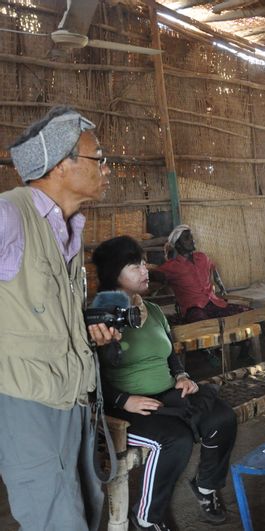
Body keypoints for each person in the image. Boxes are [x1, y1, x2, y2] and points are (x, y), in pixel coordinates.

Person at [0, 106, 120, 530]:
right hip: (27, 401)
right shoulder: (10, 214)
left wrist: (82, 336)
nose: (107, 167)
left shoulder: (67, 228)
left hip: (72, 399)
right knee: (56, 521)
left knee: (86, 509)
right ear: (61, 166)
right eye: (98, 157)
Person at [92, 236, 237, 529]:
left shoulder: (153, 311)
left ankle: (206, 486)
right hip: (125, 408)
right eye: (135, 266)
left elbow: (170, 355)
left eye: (144, 264)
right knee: (175, 440)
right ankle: (146, 517)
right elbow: (89, 374)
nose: (145, 271)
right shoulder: (99, 318)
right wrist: (122, 400)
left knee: (222, 418)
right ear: (113, 274)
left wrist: (183, 376)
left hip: (166, 396)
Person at [149, 225, 248, 323]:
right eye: (187, 238)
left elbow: (213, 268)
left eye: (191, 236)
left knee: (248, 313)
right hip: (194, 309)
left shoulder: (202, 257)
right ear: (178, 245)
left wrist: (222, 288)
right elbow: (152, 276)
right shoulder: (171, 267)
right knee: (203, 325)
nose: (192, 240)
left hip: (215, 303)